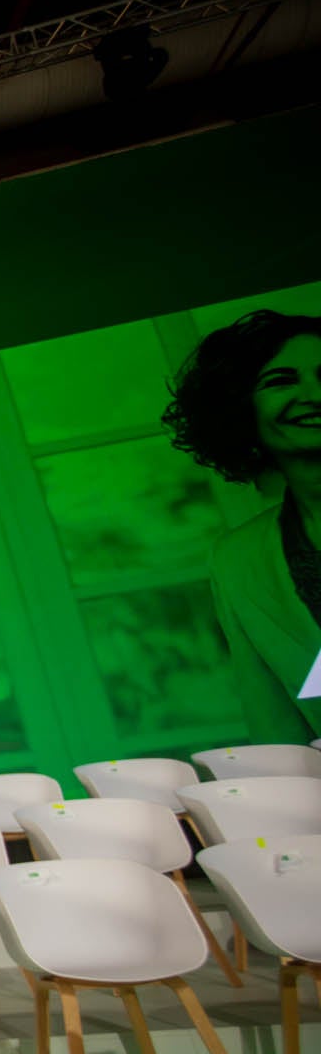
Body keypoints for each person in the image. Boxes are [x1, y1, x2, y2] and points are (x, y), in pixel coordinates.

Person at [164, 309, 321, 742]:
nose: (313, 395)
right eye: (281, 380)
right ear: (241, 408)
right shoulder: (237, 558)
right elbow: (273, 723)